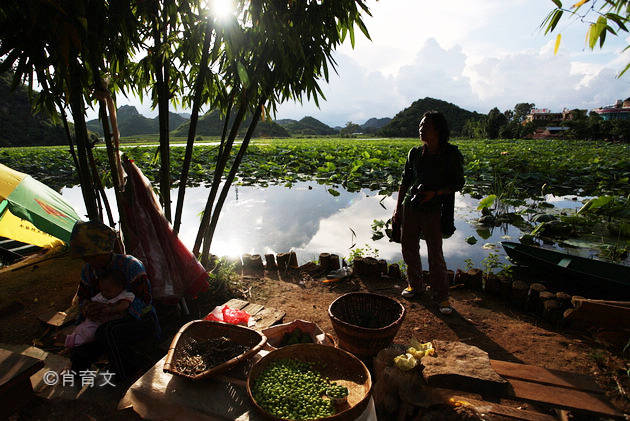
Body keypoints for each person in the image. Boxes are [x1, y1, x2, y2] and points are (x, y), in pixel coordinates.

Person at [392, 110, 465, 315]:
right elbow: (405, 182)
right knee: (409, 248)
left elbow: (458, 184)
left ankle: (442, 296)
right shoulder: (414, 153)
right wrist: (398, 208)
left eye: (425, 126)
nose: (421, 129)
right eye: (420, 126)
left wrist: (435, 193)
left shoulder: (450, 154)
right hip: (411, 206)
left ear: (438, 130)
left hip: (434, 208)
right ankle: (415, 286)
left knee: (435, 252)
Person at [69, 220, 161, 381]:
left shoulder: (131, 266)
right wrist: (88, 308)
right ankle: (78, 374)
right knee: (81, 336)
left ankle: (128, 374)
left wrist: (115, 310)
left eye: (93, 255)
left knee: (108, 332)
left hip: (140, 320)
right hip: (103, 319)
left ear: (105, 250)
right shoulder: (89, 271)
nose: (89, 261)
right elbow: (83, 297)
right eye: (85, 257)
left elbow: (144, 299)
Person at [65, 270, 134, 348]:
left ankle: (71, 341)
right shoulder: (101, 296)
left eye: (108, 291)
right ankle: (73, 338)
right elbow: (91, 303)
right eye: (102, 290)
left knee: (90, 335)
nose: (104, 293)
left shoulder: (124, 295)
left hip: (105, 323)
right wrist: (90, 308)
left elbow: (124, 305)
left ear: (120, 287)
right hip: (94, 320)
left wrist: (112, 309)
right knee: (82, 329)